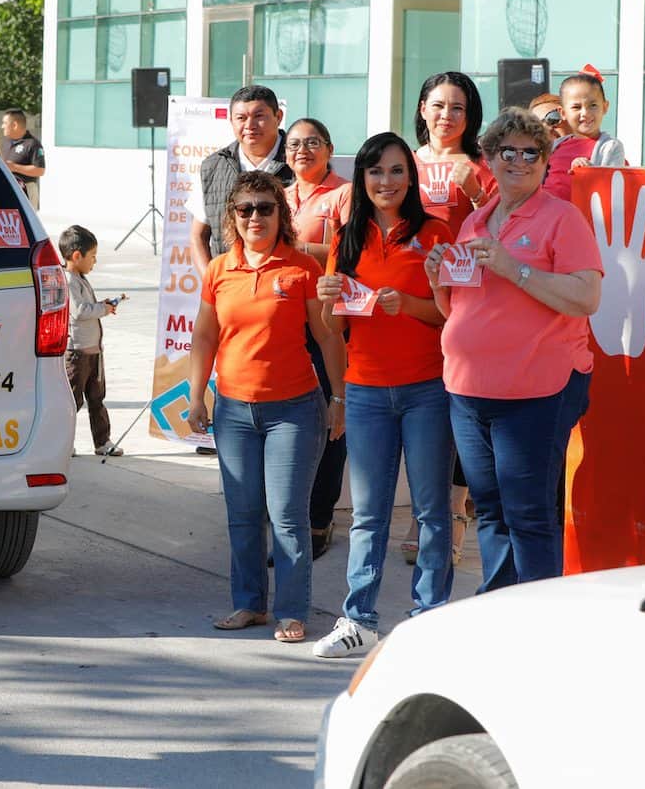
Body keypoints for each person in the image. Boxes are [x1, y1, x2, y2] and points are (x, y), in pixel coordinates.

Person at [423, 107, 602, 592]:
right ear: (489, 158)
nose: (520, 161)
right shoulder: (476, 221)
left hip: (536, 391)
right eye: (509, 151)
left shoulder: (562, 218)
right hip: (469, 391)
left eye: (532, 153)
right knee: (491, 510)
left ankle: (537, 618)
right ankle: (500, 606)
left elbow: (586, 297)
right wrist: (437, 278)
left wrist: (515, 269)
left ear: (545, 162)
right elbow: (458, 308)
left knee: (529, 514)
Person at [311, 133, 456, 659]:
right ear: (362, 179)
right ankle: (359, 621)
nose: (386, 181)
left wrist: (409, 306)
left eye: (397, 171)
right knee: (368, 515)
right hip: (367, 390)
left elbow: (453, 313)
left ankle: (428, 620)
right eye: (376, 171)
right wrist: (327, 299)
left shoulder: (436, 233)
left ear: (411, 178)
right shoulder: (346, 238)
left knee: (432, 511)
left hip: (427, 389)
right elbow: (333, 326)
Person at [187, 171, 346, 642]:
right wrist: (196, 396)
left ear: (281, 214)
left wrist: (339, 398)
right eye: (245, 209)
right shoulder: (219, 270)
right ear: (232, 217)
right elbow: (204, 337)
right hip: (234, 411)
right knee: (243, 515)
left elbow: (328, 337)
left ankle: (292, 611)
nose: (254, 217)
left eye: (265, 208)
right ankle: (249, 604)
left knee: (288, 517)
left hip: (293, 412)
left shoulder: (302, 268)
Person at [408, 70, 495, 565]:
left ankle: (457, 509)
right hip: (408, 299)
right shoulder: (402, 161)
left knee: (460, 406)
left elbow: (504, 223)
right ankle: (424, 513)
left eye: (457, 107)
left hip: (465, 302)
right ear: (422, 109)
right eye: (438, 105)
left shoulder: (483, 165)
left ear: (470, 116)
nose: (446, 115)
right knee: (420, 409)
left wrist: (477, 192)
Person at [283, 118, 351, 559]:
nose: (302, 150)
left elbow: (356, 250)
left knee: (331, 417)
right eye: (294, 144)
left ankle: (320, 518)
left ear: (328, 148)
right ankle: (287, 513)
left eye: (312, 142)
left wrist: (301, 252)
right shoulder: (280, 194)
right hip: (283, 320)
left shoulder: (344, 193)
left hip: (326, 320)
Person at [187, 85, 294, 278]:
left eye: (259, 116)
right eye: (241, 118)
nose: (250, 125)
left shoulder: (299, 162)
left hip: (286, 285)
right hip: (229, 286)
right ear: (231, 121)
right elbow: (198, 236)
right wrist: (211, 283)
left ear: (278, 116)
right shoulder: (213, 166)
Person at [60, 225, 123, 457]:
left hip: (94, 351)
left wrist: (102, 306)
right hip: (77, 353)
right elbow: (79, 311)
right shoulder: (69, 281)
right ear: (77, 256)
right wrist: (102, 309)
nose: (95, 261)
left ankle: (102, 441)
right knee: (73, 401)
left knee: (97, 399)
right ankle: (62, 442)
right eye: (93, 256)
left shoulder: (80, 278)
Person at [543, 71, 626, 201]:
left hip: (579, 212)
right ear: (563, 113)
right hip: (546, 209)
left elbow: (613, 189)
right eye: (576, 107)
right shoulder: (555, 146)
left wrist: (588, 172)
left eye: (593, 105)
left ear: (605, 107)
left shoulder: (610, 147)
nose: (585, 113)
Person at [1, 109, 46, 210]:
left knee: (25, 219)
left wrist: (14, 167)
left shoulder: (33, 144)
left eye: (5, 123)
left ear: (14, 125)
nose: (2, 126)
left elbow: (40, 170)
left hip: (26, 190)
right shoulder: (5, 142)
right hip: (8, 189)